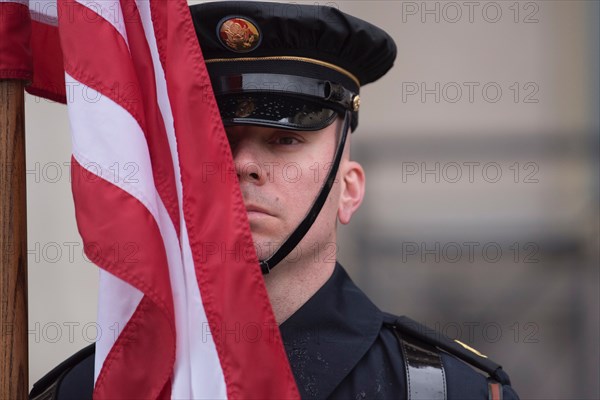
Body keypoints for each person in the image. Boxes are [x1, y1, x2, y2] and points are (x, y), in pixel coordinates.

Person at [30, 2, 520, 399]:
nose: (243, 164)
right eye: (215, 140)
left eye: (284, 140)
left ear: (348, 191)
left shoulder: (444, 390)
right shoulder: (92, 389)